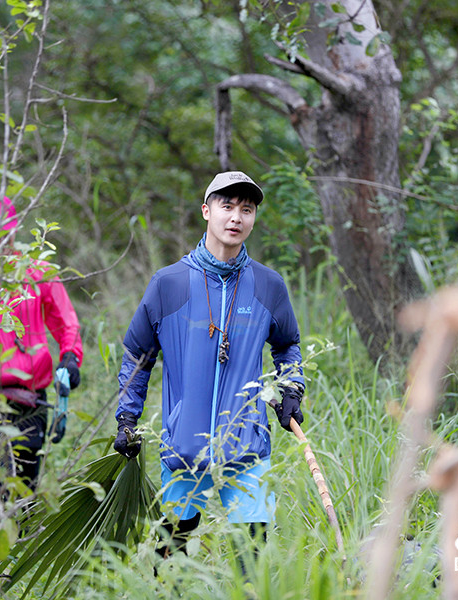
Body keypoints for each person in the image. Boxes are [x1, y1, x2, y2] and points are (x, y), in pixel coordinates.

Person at [112, 171, 305, 555]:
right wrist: (126, 420)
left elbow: (288, 345)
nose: (236, 217)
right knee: (170, 557)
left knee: (251, 557)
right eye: (227, 206)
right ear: (206, 211)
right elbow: (138, 355)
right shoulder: (169, 283)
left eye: (246, 209)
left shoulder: (268, 285)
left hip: (247, 445)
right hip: (183, 446)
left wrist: (291, 388)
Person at [0, 192, 83, 491]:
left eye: (5, 234)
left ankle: (20, 537)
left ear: (15, 231)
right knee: (0, 483)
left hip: (31, 397)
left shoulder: (39, 275)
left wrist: (70, 357)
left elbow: (67, 323)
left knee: (25, 488)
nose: (0, 244)